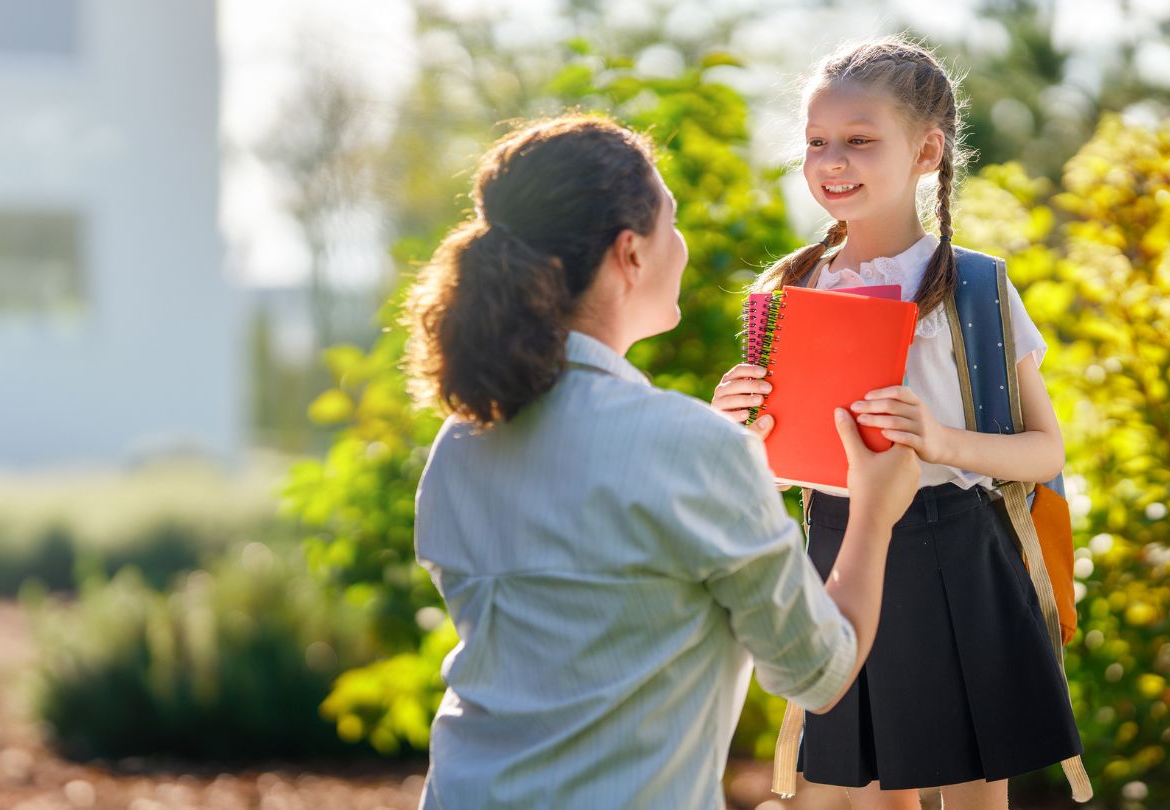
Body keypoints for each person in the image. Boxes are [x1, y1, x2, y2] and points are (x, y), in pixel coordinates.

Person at [403, 114, 922, 808]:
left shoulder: (461, 443)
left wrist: (716, 458)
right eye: (670, 224)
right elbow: (820, 672)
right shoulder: (691, 449)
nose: (681, 245)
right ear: (631, 254)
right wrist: (875, 512)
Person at [710, 36, 1083, 808]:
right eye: (817, 142)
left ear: (927, 151)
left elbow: (1045, 449)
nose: (832, 161)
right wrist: (739, 423)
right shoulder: (793, 289)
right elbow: (776, 463)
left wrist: (940, 441)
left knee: (977, 785)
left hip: (959, 543)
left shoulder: (974, 286)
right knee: (876, 788)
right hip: (841, 546)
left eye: (859, 140)